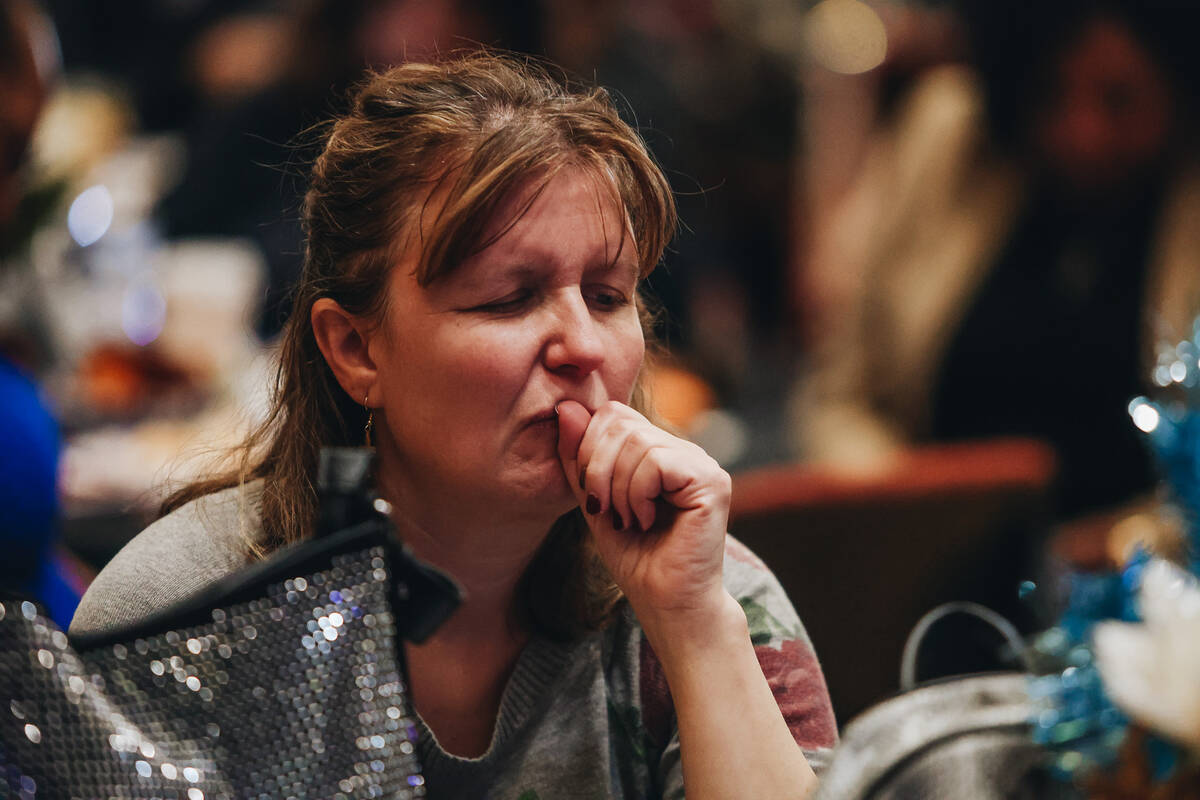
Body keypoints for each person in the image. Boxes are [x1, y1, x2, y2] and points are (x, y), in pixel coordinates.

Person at [71, 53, 837, 797]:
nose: (585, 346)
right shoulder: (175, 616)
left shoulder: (711, 591)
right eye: (509, 297)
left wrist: (693, 628)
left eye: (607, 296)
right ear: (355, 349)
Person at [792, 0, 1200, 525]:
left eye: (1120, 100)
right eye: (1052, 91)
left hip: (1149, 585)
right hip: (930, 552)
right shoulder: (950, 134)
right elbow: (842, 394)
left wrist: (1121, 546)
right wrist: (902, 506)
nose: (1084, 132)